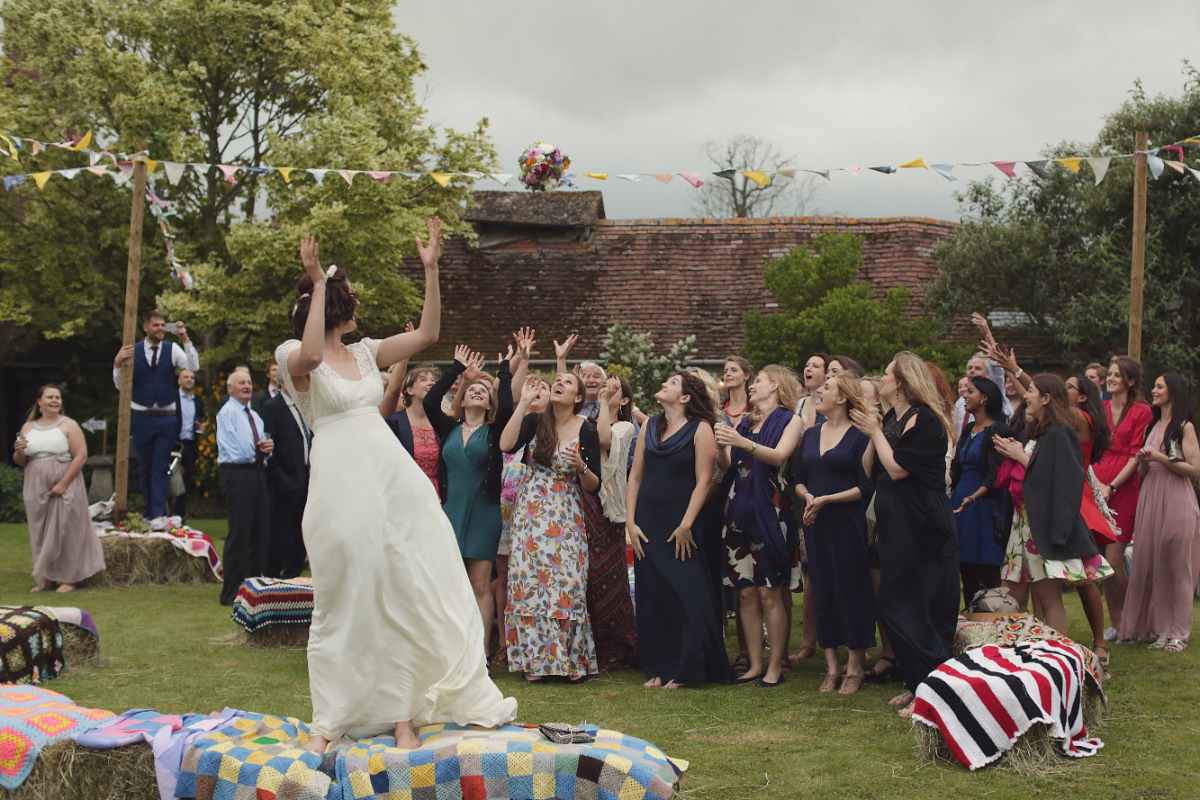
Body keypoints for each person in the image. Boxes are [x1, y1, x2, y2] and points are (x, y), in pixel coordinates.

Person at [277, 220, 516, 753]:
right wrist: (316, 283)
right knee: (341, 599)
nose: (358, 304)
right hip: (340, 484)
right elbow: (312, 356)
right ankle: (329, 718)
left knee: (401, 592)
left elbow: (429, 335)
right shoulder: (290, 354)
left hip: (392, 481)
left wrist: (432, 269)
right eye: (352, 298)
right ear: (338, 305)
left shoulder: (366, 354)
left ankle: (403, 714)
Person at [848, 352, 958, 718]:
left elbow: (897, 470)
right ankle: (917, 682)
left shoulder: (926, 420)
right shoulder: (895, 417)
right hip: (897, 524)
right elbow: (868, 468)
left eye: (887, 374)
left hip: (923, 522)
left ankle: (932, 688)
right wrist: (873, 432)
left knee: (923, 603)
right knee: (895, 602)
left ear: (903, 382)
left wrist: (876, 432)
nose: (881, 378)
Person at [626, 372, 732, 688]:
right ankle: (660, 666)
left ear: (685, 397)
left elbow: (704, 480)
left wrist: (687, 523)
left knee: (689, 594)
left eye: (673, 382)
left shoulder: (701, 429)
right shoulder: (649, 425)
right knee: (654, 595)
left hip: (681, 521)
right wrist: (630, 522)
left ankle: (690, 668)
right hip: (647, 520)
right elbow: (635, 477)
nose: (664, 384)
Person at [994, 374, 1113, 639]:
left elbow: (1066, 480)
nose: (1026, 396)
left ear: (1047, 398)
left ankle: (1058, 658)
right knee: (1010, 593)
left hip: (1042, 527)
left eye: (1032, 391)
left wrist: (1021, 458)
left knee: (1047, 596)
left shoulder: (1063, 432)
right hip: (1023, 523)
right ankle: (1015, 653)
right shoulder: (1038, 431)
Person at [500, 372, 602, 682]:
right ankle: (535, 662)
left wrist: (580, 466)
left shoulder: (587, 430)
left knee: (565, 581)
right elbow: (505, 444)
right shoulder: (535, 422)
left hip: (566, 510)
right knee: (530, 579)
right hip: (531, 510)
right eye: (556, 380)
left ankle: (568, 658)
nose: (559, 383)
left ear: (578, 397)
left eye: (568, 382)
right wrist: (525, 404)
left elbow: (594, 485)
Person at [422, 345, 516, 652]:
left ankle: (482, 652)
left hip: (484, 511)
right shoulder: (447, 427)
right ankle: (447, 648)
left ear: (489, 403)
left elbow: (507, 407)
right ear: (461, 400)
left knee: (479, 585)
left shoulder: (494, 432)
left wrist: (503, 368)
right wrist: (456, 370)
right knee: (447, 584)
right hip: (450, 511)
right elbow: (430, 399)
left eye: (483, 391)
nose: (478, 392)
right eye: (472, 390)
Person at [715, 365, 804, 688]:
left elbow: (779, 456)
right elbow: (728, 465)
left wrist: (742, 441)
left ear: (776, 386)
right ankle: (753, 664)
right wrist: (723, 445)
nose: (752, 387)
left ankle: (775, 666)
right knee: (747, 593)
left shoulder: (790, 420)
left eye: (759, 382)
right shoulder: (745, 420)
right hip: (738, 510)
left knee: (769, 592)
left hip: (771, 510)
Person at [791, 374, 875, 695]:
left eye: (826, 388)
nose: (818, 392)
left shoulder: (858, 437)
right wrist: (808, 496)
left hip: (847, 522)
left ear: (842, 398)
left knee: (851, 588)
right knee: (823, 588)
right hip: (815, 522)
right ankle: (831, 666)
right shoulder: (811, 435)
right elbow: (798, 477)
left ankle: (855, 666)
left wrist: (828, 499)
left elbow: (865, 486)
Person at [1120, 373, 1200, 652]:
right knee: (1151, 562)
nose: (1153, 391)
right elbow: (1144, 471)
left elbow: (1193, 469)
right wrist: (1144, 460)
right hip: (1151, 495)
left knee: (1177, 564)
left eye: (1159, 386)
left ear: (1172, 392)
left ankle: (1178, 631)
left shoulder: (1184, 426)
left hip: (1177, 496)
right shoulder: (1152, 426)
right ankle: (1157, 628)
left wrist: (1159, 457)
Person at [13, 385, 105, 593]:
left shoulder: (68, 425)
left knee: (65, 529)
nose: (55, 400)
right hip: (35, 483)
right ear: (39, 401)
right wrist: (18, 452)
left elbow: (81, 455)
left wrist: (63, 483)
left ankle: (68, 578)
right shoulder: (28, 427)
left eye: (58, 397)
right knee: (41, 531)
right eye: (50, 397)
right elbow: (21, 460)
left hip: (65, 480)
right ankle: (46, 578)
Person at [112, 311, 200, 518]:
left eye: (163, 325)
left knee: (160, 466)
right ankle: (148, 512)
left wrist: (185, 338)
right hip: (141, 416)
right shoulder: (133, 350)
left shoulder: (172, 349)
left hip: (166, 417)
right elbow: (120, 386)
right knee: (145, 466)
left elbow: (193, 366)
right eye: (156, 325)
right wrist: (117, 363)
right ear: (146, 327)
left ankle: (159, 514)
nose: (161, 329)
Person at [1092, 356, 1152, 640]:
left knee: (1115, 559)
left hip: (1123, 489)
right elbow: (1090, 447)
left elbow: (1134, 454)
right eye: (1110, 374)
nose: (1111, 378)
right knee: (1102, 563)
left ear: (1130, 381)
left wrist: (1111, 487)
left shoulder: (1142, 411)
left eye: (1117, 374)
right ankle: (1117, 623)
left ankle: (1135, 620)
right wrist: (1095, 482)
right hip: (1097, 483)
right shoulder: (1100, 408)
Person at [586, 375, 638, 670]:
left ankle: (617, 645)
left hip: (608, 507)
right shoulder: (588, 422)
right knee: (587, 575)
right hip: (584, 500)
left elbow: (604, 441)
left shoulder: (626, 426)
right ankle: (591, 642)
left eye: (614, 389)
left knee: (609, 574)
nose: (606, 390)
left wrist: (603, 402)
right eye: (605, 386)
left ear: (625, 400)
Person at [949, 377, 1013, 607]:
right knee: (966, 570)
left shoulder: (999, 430)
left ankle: (998, 628)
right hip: (961, 505)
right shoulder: (968, 429)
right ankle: (971, 629)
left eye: (970, 391)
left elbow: (996, 475)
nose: (964, 394)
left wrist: (972, 498)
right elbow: (957, 468)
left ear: (984, 397)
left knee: (988, 569)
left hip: (985, 507)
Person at [215, 371, 274, 604]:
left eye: (249, 382)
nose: (247, 386)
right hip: (236, 475)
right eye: (241, 383)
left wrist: (268, 449)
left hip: (257, 473)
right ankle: (230, 592)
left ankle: (255, 587)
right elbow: (236, 450)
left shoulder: (255, 416)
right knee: (240, 532)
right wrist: (259, 450)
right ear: (230, 389)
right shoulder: (227, 414)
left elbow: (260, 449)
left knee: (260, 531)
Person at [260, 383, 311, 579]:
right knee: (278, 536)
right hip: (284, 485)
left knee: (299, 537)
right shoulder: (272, 408)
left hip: (306, 481)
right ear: (284, 382)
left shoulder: (305, 407)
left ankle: (293, 579)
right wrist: (281, 479)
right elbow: (268, 446)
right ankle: (271, 579)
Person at [384, 363, 441, 487]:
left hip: (436, 492)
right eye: (423, 379)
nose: (431, 383)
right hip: (405, 489)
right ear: (410, 390)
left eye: (433, 380)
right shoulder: (394, 422)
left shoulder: (441, 422)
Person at [173, 369, 206, 521]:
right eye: (186, 377)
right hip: (174, 444)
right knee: (170, 479)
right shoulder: (172, 398)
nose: (189, 379)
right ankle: (166, 513)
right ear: (179, 381)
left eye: (192, 377)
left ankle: (180, 515)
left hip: (191, 444)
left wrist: (201, 428)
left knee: (187, 481)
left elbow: (200, 420)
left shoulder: (198, 400)